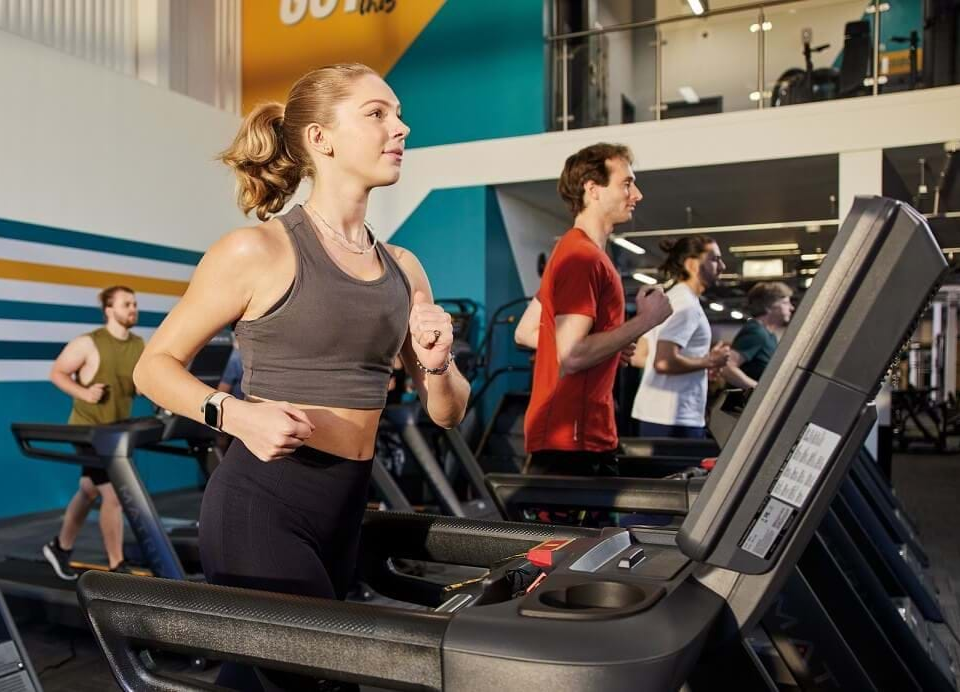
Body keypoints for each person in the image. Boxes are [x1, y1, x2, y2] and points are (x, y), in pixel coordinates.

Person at [133, 63, 469, 692]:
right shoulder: (256, 251)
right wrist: (237, 415)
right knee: (321, 681)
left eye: (396, 113)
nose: (401, 127)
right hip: (262, 503)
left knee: (263, 681)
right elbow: (154, 366)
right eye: (377, 114)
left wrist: (437, 361)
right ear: (321, 138)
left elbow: (447, 413)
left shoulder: (404, 267)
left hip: (344, 506)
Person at [523, 143, 673, 477]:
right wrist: (645, 321)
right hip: (571, 440)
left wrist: (610, 345)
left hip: (579, 435)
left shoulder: (576, 251)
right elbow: (573, 354)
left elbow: (527, 331)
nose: (637, 194)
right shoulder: (580, 258)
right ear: (593, 190)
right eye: (626, 183)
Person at [41, 286, 146, 579]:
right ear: (109, 310)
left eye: (135, 303)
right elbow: (57, 373)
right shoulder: (88, 343)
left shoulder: (139, 345)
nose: (133, 308)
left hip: (116, 433)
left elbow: (142, 383)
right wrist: (84, 393)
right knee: (114, 496)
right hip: (86, 431)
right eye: (127, 304)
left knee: (89, 491)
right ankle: (117, 566)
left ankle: (60, 548)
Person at [630, 235, 735, 438]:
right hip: (675, 418)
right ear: (692, 265)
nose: (722, 266)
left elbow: (640, 356)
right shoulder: (686, 305)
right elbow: (663, 363)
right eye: (715, 259)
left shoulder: (668, 299)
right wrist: (709, 361)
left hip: (654, 414)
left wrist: (696, 364)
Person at [732, 281, 795, 381]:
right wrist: (755, 388)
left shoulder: (770, 335)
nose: (791, 308)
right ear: (768, 306)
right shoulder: (756, 332)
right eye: (785, 303)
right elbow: (728, 367)